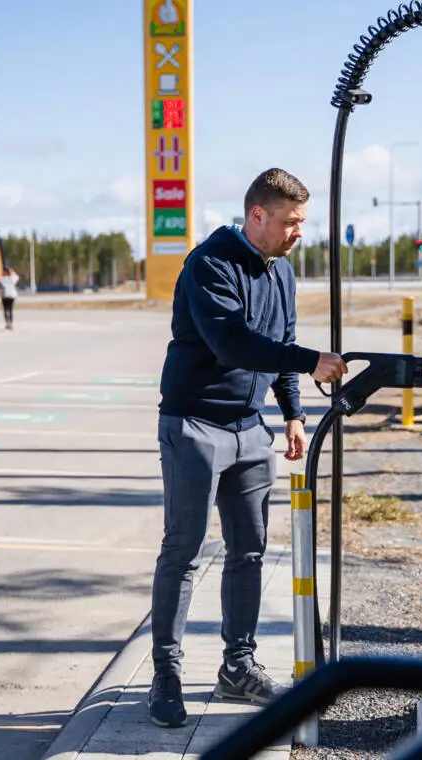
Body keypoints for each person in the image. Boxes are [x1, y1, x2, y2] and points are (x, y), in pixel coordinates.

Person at [147, 168, 348, 728]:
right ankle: (166, 674)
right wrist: (310, 362)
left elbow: (279, 342)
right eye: (290, 223)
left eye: (301, 224)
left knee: (250, 552)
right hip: (194, 424)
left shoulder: (280, 271)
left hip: (249, 428)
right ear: (257, 215)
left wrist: (292, 414)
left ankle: (237, 666)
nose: (297, 234)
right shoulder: (210, 263)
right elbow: (231, 342)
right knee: (183, 553)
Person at [0, 265, 19, 329]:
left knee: (6, 310)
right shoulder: (12, 278)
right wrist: (12, 271)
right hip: (11, 296)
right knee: (10, 310)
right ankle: (10, 323)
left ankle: (7, 323)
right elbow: (17, 277)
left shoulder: (2, 279)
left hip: (5, 296)